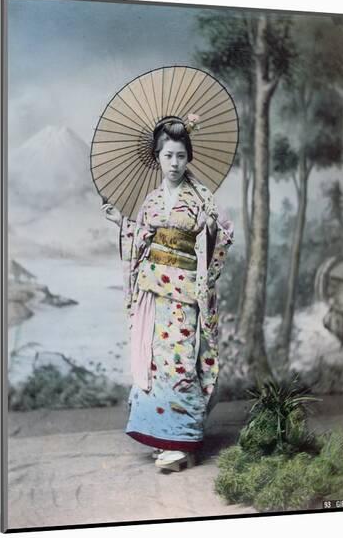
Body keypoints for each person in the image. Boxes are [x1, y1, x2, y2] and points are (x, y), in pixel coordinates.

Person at [101, 115, 234, 471]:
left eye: (180, 156)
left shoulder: (202, 198)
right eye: (167, 156)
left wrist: (209, 231)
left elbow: (222, 240)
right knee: (156, 362)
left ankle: (183, 441)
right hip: (154, 291)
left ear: (189, 157)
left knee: (180, 362)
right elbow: (143, 237)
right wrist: (121, 223)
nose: (174, 163)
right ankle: (163, 436)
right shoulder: (152, 200)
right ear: (157, 158)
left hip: (187, 292)